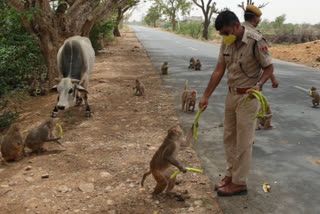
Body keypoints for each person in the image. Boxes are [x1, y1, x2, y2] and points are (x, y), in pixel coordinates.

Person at [199, 10, 274, 196]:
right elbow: (219, 70)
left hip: (248, 97)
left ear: (237, 26)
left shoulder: (256, 41)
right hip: (231, 95)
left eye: (227, 32)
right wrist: (206, 95)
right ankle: (230, 175)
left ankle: (240, 183)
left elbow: (269, 67)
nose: (225, 37)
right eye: (222, 34)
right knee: (229, 138)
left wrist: (259, 84)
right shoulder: (227, 42)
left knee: (244, 142)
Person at [243, 4, 279, 88]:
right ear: (255, 19)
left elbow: (262, 60)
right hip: (251, 88)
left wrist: (273, 78)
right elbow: (264, 61)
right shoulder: (257, 37)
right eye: (259, 18)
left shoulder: (235, 31)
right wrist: (260, 84)